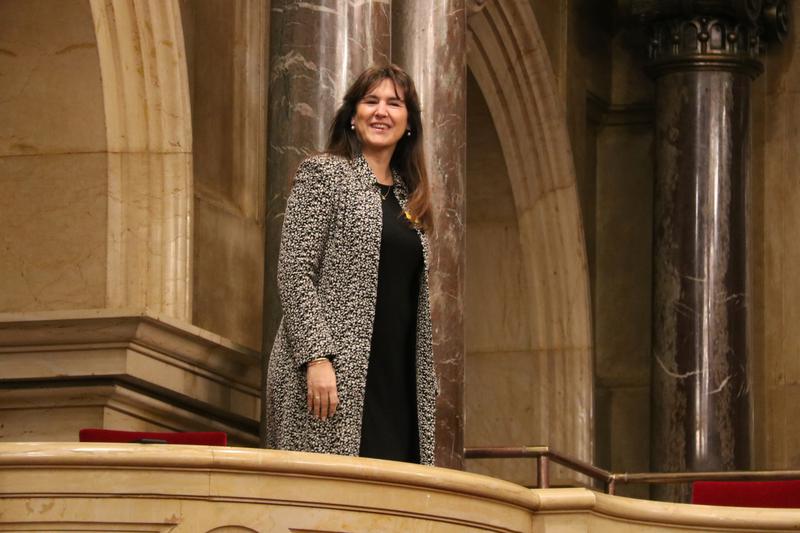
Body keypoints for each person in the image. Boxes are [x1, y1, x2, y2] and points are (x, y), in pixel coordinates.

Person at [265, 64, 437, 465]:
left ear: (408, 122)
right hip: (330, 378)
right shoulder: (324, 175)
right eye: (370, 100)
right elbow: (294, 271)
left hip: (397, 382)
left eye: (394, 103)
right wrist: (317, 357)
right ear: (353, 116)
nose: (381, 111)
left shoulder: (413, 200)